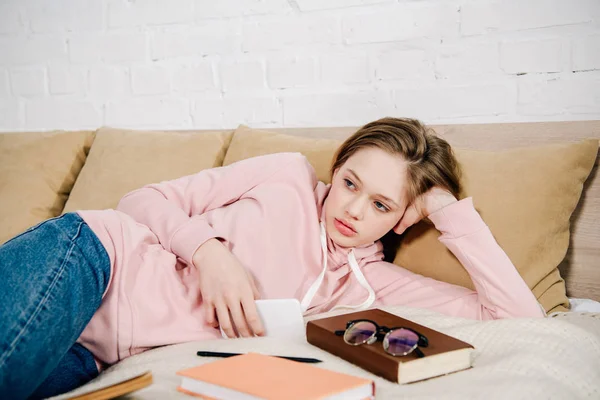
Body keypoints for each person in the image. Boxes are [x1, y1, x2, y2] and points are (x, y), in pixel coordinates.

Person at [0, 117, 544, 399]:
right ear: (338, 164)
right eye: (350, 182)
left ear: (402, 218)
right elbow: (143, 200)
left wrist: (447, 210)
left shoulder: (371, 289)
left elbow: (519, 320)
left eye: (380, 204)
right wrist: (210, 253)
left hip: (94, 358)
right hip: (91, 258)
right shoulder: (285, 176)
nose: (351, 209)